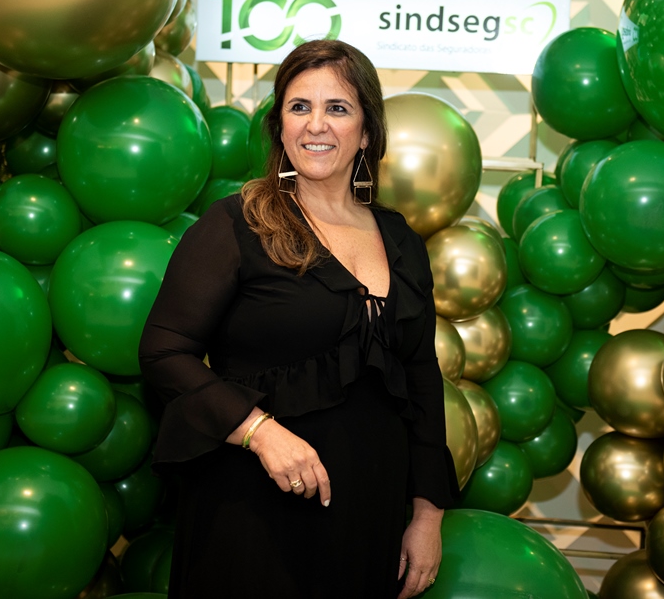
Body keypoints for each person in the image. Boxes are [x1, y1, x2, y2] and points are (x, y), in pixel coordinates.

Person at [138, 39, 459, 598]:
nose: (316, 125)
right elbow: (164, 351)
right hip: (251, 509)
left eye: (338, 108)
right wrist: (258, 432)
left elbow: (422, 380)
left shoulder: (401, 239)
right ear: (280, 127)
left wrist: (428, 515)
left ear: (367, 131)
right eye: (299, 107)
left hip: (368, 515)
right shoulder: (236, 223)